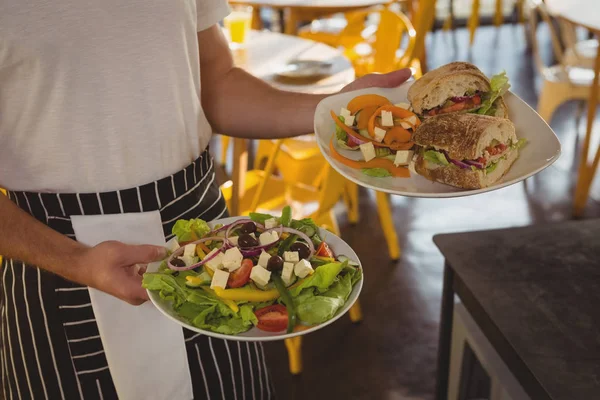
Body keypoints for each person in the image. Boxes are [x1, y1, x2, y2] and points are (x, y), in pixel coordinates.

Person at [0, 0, 411, 399]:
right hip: (63, 255)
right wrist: (74, 261)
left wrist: (331, 112)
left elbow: (216, 83)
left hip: (206, 231)